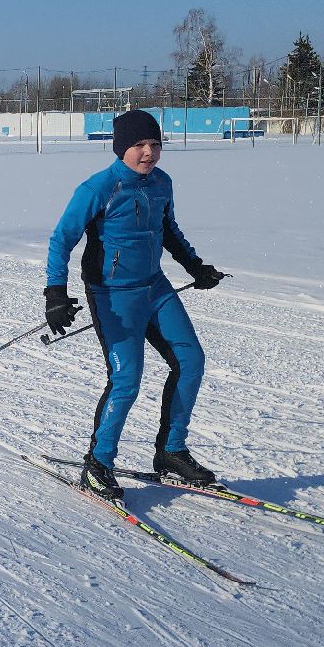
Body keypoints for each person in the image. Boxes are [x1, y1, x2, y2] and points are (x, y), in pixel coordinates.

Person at [44, 108, 225, 502]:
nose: (148, 152)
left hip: (155, 289)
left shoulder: (161, 183)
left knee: (191, 360)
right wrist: (55, 293)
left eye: (155, 144)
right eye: (139, 145)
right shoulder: (98, 188)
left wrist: (195, 265)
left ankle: (172, 452)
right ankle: (98, 463)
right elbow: (61, 239)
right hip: (113, 295)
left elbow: (168, 230)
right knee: (126, 380)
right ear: (121, 148)